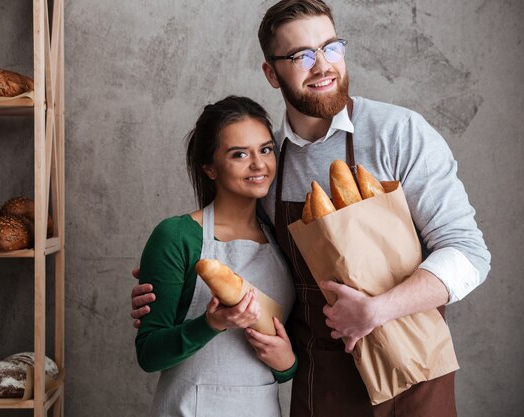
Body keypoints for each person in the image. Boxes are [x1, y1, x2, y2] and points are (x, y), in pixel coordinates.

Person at [131, 1, 491, 416]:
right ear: (271, 73)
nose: (322, 66)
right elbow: (245, 257)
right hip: (322, 382)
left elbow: (469, 254)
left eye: (331, 48)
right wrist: (168, 286)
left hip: (413, 372)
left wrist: (376, 310)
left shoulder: (399, 134)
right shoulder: (268, 164)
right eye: (302, 55)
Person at [135, 95, 296, 417]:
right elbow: (149, 355)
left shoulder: (288, 238)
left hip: (261, 407)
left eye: (265, 149)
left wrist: (286, 363)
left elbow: (292, 351)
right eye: (239, 154)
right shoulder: (177, 236)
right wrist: (212, 322)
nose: (259, 165)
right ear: (209, 167)